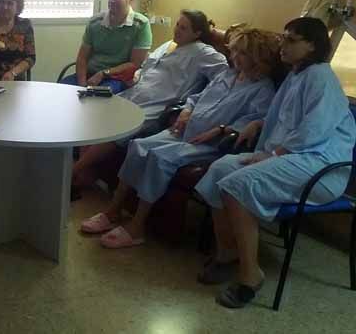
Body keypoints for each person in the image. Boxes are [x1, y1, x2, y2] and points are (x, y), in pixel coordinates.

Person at [194, 17, 356, 309]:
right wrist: (258, 123)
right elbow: (284, 118)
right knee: (219, 169)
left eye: (292, 40)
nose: (283, 45)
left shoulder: (320, 76)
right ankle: (228, 252)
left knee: (235, 185)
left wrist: (272, 154)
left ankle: (249, 275)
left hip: (319, 165)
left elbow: (314, 131)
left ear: (314, 46)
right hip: (294, 155)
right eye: (284, 37)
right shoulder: (297, 74)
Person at [80, 27, 282, 251]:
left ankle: (137, 226)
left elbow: (256, 122)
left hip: (210, 143)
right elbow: (196, 97)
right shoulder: (228, 74)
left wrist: (221, 130)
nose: (235, 57)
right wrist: (186, 111)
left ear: (257, 57)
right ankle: (113, 210)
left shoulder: (263, 90)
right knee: (138, 146)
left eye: (242, 53)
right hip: (185, 129)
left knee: (159, 157)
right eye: (234, 51)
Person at [70, 10, 228, 200]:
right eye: (178, 24)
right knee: (94, 113)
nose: (177, 30)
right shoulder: (170, 45)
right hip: (136, 92)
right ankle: (87, 174)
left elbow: (226, 75)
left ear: (197, 34)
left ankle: (71, 172)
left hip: (157, 103)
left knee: (118, 128)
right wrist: (135, 76)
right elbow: (146, 66)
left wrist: (192, 104)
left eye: (184, 28)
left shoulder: (203, 52)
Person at [59, 0, 152, 94]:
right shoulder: (95, 22)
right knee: (61, 89)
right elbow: (82, 58)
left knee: (99, 96)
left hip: (117, 78)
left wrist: (103, 73)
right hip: (90, 73)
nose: (112, 1)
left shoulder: (141, 25)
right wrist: (82, 85)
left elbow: (134, 64)